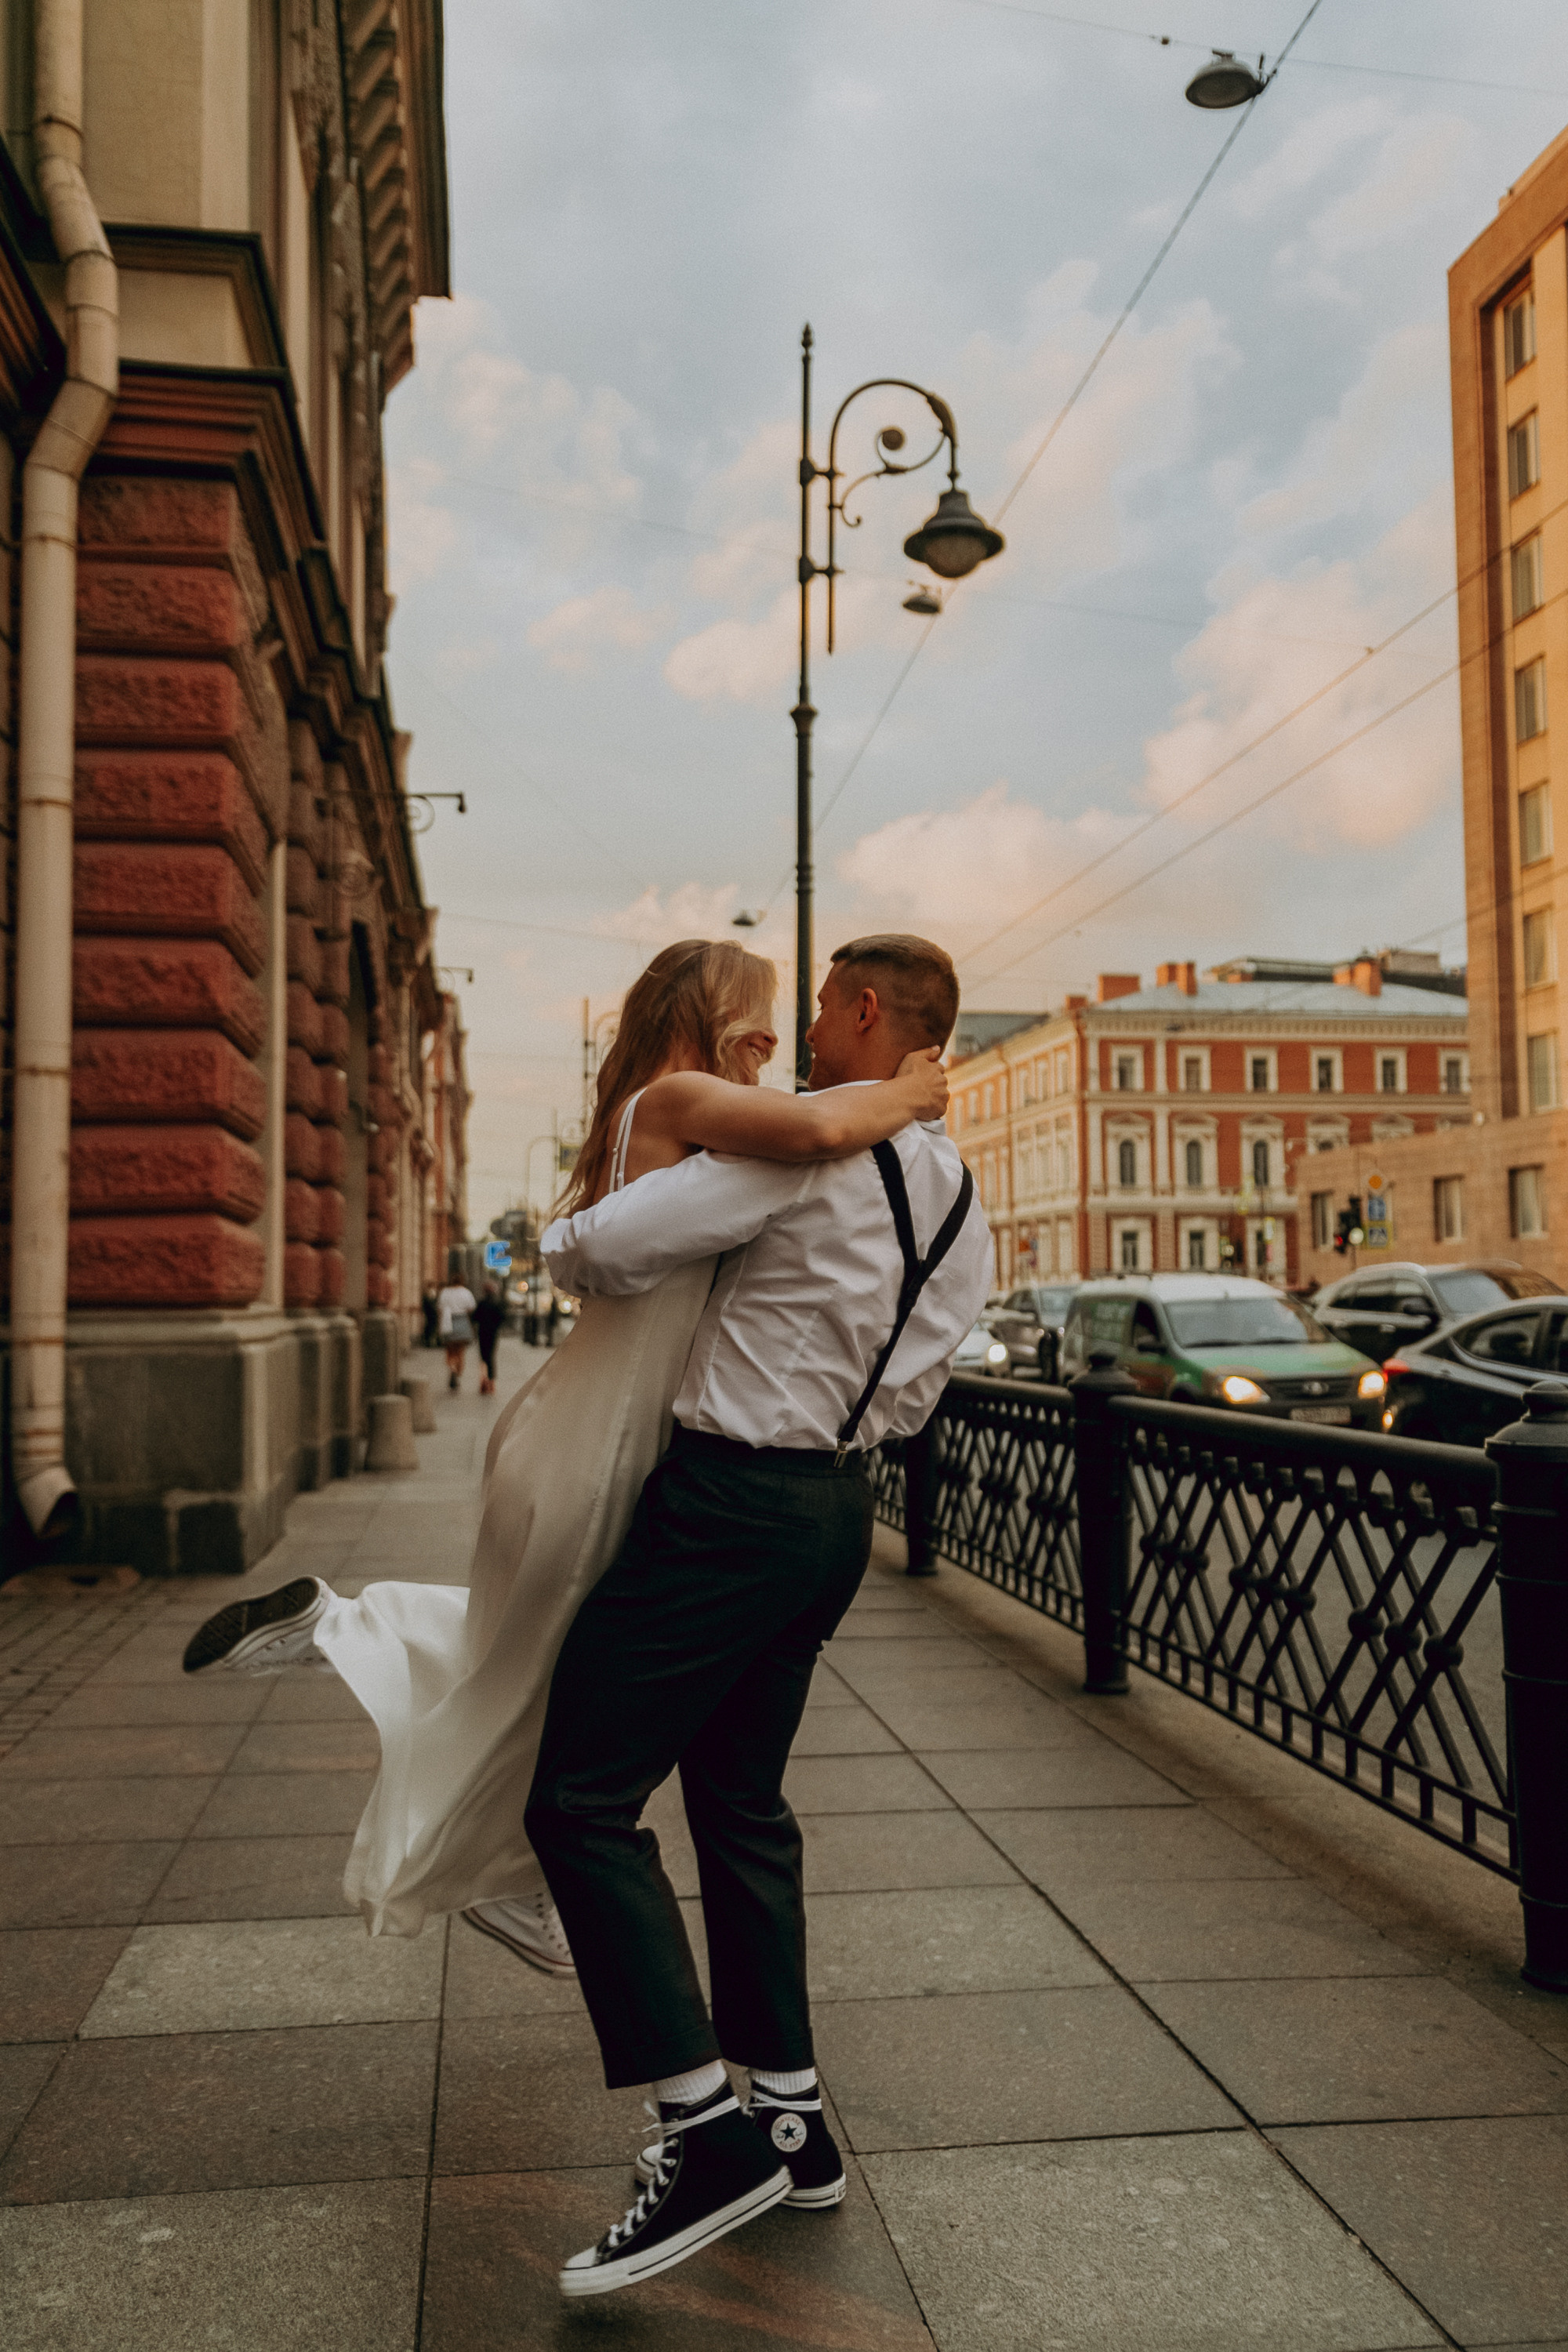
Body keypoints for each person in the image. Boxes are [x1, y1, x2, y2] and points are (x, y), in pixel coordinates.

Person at [178, 938, 948, 2028]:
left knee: (551, 1664)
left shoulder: (685, 1107)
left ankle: (351, 1639)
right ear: (705, 1009)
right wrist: (909, 1091)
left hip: (600, 1428)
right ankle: (486, 1831)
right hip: (605, 1440)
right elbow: (822, 1131)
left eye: (799, 1013)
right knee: (551, 1682)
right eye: (764, 1013)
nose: (780, 1039)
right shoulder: (687, 1096)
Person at [528, 933, 989, 2297]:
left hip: (727, 1504)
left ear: (860, 1010)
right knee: (739, 1801)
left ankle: (702, 2127)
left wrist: (577, 1223)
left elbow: (599, 1256)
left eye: (821, 1016)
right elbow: (928, 1379)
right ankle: (789, 2114)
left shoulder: (805, 1151)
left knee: (580, 1798)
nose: (797, 1048)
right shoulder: (953, 1184)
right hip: (839, 1513)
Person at [437, 1274, 477, 1390]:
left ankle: (452, 1368)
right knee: (460, 1350)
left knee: (450, 1350)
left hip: (448, 1322)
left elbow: (440, 1308)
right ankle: (458, 1372)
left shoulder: (445, 1292)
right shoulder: (466, 1292)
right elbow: (471, 1307)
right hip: (462, 1321)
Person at [474, 1280, 506, 1396]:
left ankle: (483, 1382)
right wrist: (495, 1326)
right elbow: (502, 1318)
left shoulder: (481, 1304)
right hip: (493, 1333)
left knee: (483, 1358)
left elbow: (475, 1317)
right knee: (491, 1357)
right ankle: (492, 1383)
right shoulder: (496, 1304)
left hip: (482, 1333)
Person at [421, 1285, 440, 1349]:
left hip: (430, 1315)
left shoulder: (426, 1297)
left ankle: (430, 1342)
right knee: (431, 1328)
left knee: (430, 1328)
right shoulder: (429, 1297)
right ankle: (431, 1342)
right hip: (432, 1315)